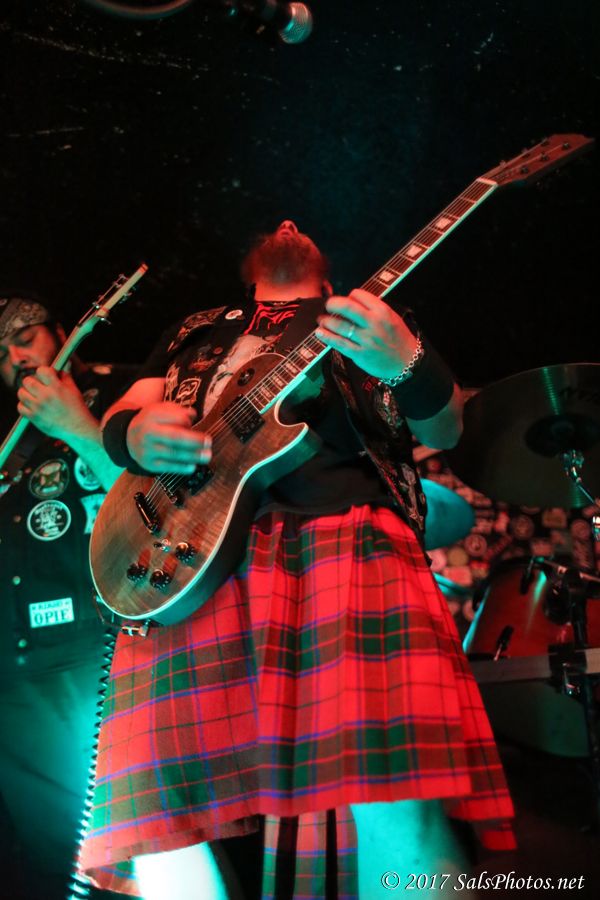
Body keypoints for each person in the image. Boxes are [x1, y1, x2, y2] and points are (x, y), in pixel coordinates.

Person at [79, 221, 515, 899]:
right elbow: (127, 411)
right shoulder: (195, 327)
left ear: (327, 266)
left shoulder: (372, 316)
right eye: (273, 223)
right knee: (162, 821)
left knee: (392, 790)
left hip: (343, 542)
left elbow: (447, 425)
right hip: (186, 558)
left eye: (300, 223)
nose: (286, 224)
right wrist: (133, 434)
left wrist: (406, 360)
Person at [0, 292, 131, 900]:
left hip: (95, 657)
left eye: (25, 337)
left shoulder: (123, 394)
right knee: (47, 859)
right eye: (0, 353)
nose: (15, 358)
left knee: (124, 855)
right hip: (17, 675)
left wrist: (76, 425)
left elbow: (158, 502)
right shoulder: (9, 434)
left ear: (61, 330)